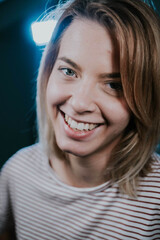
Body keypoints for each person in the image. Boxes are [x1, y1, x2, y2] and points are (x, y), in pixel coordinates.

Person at [0, 0, 160, 239]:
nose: (79, 104)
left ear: (144, 98)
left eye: (113, 85)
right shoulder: (16, 173)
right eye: (68, 71)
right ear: (47, 73)